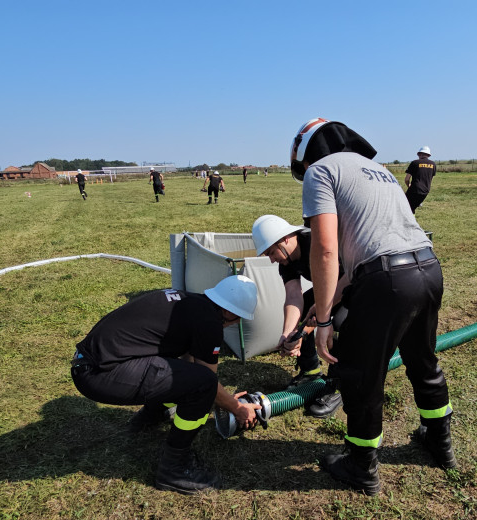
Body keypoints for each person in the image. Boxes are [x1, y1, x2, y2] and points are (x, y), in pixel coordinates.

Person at [289, 118, 456, 496]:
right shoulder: (378, 171)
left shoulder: (321, 171)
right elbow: (364, 257)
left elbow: (327, 249)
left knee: (362, 375)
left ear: (305, 152)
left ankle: (361, 465)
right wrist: (332, 300)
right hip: (427, 268)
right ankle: (440, 442)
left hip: (387, 280)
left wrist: (326, 319)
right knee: (423, 361)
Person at [71, 275, 261, 494]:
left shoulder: (190, 302)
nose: (235, 324)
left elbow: (188, 364)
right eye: (237, 319)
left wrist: (225, 400)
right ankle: (174, 468)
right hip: (99, 374)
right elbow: (208, 382)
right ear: (228, 312)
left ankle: (151, 415)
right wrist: (238, 408)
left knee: (186, 376)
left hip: (91, 363)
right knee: (203, 385)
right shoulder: (209, 320)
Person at [251, 214, 347, 417]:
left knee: (340, 322)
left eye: (271, 252)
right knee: (302, 310)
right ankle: (310, 371)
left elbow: (341, 282)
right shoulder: (286, 262)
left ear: (285, 239)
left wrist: (319, 321)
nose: (271, 259)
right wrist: (289, 333)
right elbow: (293, 296)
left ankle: (338, 385)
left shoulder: (317, 242)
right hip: (328, 289)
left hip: (352, 286)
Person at [403, 146, 437, 213]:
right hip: (425, 191)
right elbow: (430, 179)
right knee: (412, 207)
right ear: (428, 155)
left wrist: (409, 185)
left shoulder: (415, 163)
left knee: (406, 207)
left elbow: (407, 179)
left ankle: (410, 222)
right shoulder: (433, 164)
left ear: (419, 154)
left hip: (415, 189)